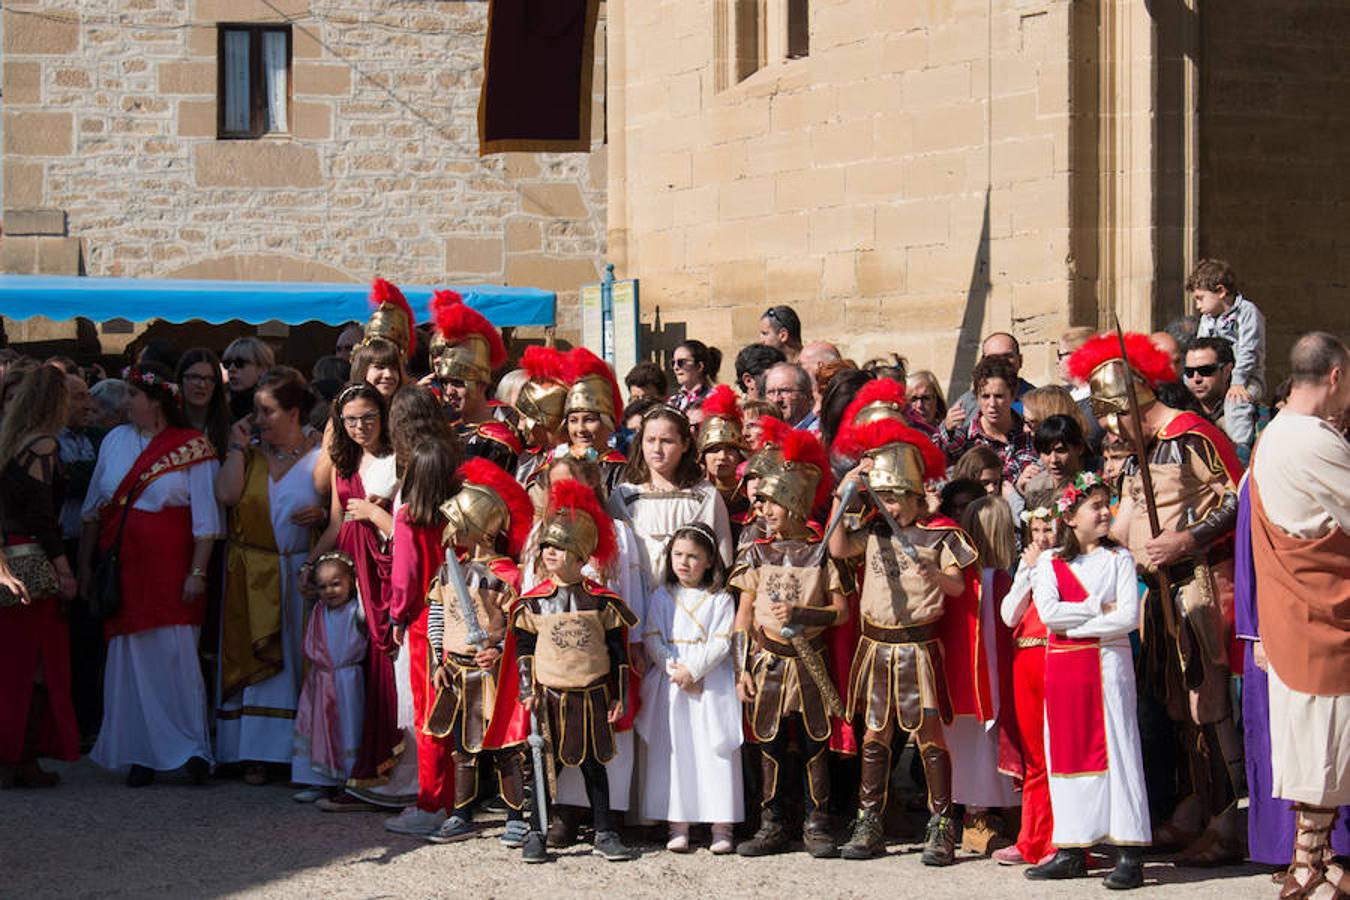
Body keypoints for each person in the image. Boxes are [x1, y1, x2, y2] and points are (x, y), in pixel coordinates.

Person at [1069, 332, 1246, 866]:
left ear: (1131, 405)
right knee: (1177, 707)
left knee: (1206, 704)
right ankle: (1194, 811)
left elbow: (1240, 496)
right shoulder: (1135, 455)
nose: (1109, 430)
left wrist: (1188, 537)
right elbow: (1127, 526)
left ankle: (1227, 823)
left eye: (1111, 418)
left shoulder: (1191, 435)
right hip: (1158, 592)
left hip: (1199, 586)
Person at [826, 418, 967, 865]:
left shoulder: (943, 533)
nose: (889, 504)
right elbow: (836, 548)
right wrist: (843, 491)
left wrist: (936, 575)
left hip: (918, 648)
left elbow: (959, 587)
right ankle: (869, 822)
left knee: (928, 736)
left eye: (896, 497)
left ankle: (941, 823)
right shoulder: (875, 530)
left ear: (914, 494)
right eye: (883, 496)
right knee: (875, 735)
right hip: (877, 647)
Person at [79, 363, 221, 787]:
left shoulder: (192, 446)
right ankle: (140, 751)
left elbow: (207, 521)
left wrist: (197, 572)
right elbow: (93, 510)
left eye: (132, 396)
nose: (125, 404)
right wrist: (86, 568)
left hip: (172, 568)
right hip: (125, 568)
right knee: (130, 659)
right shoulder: (114, 440)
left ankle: (190, 750)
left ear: (155, 403)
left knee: (175, 659)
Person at [1247, 332, 1350, 898]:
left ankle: (1316, 857)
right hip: (1322, 616)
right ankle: (1309, 862)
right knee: (1326, 746)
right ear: (1334, 376)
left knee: (1326, 746)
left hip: (1298, 613)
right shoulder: (1311, 439)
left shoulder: (1271, 435)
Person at [1025, 473, 1149, 890]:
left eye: (1105, 504)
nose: (1104, 512)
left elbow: (1127, 617)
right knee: (1065, 753)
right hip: (1063, 670)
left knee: (1118, 749)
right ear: (1071, 518)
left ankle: (1130, 850)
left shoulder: (1120, 560)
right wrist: (1097, 607)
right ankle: (1072, 846)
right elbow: (1048, 615)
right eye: (1094, 506)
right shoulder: (1050, 563)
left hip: (1107, 667)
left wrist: (1076, 625)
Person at [731, 419, 846, 859]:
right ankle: (773, 822)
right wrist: (742, 668)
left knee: (816, 742)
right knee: (771, 743)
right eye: (761, 502)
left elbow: (841, 612)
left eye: (772, 502)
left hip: (809, 660)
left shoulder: (820, 553)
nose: (763, 509)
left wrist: (803, 613)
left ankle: (817, 823)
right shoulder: (756, 552)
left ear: (795, 503)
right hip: (769, 661)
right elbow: (743, 614)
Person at [512, 480, 640, 864]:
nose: (549, 553)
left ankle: (604, 831)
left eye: (559, 547)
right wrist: (525, 689)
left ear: (580, 554)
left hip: (591, 695)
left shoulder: (602, 601)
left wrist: (619, 695)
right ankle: (537, 831)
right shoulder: (533, 604)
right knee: (540, 768)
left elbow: (618, 650)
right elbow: (523, 649)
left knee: (593, 766)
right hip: (548, 695)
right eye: (547, 546)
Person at [215, 367, 325, 785]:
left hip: (299, 571)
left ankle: (293, 752)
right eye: (256, 412)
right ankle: (251, 753)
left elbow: (335, 507)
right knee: (254, 661)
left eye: (267, 411)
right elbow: (225, 495)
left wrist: (319, 515)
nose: (258, 419)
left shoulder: (319, 456)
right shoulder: (251, 453)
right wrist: (237, 448)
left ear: (293, 412)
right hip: (251, 571)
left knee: (295, 662)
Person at [418, 457, 533, 846]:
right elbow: (438, 615)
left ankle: (517, 815)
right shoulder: (448, 569)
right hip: (456, 669)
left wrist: (499, 649)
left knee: (505, 747)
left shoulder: (508, 576)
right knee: (463, 749)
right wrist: (438, 658)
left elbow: (519, 627)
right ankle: (462, 814)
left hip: (492, 674)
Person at [638, 523, 743, 854]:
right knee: (677, 752)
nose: (683, 563)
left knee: (714, 750)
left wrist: (695, 670)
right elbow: (652, 636)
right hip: (672, 685)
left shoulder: (721, 599)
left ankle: (721, 826)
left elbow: (723, 640)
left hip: (710, 683)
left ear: (710, 560)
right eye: (678, 555)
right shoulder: (661, 596)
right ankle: (678, 823)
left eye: (693, 557)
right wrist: (675, 670)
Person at [0, 367, 79, 786]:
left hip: (7, 558)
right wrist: (64, 568)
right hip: (33, 562)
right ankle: (23, 757)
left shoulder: (10, 443)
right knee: (36, 665)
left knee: (11, 664)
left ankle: (15, 754)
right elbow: (42, 516)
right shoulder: (44, 446)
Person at [949, 495, 1020, 854]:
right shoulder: (996, 581)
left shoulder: (964, 580)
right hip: (985, 683)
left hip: (963, 683)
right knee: (982, 749)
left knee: (972, 749)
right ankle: (976, 819)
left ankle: (984, 814)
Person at [993, 504, 1059, 867]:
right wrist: (1029, 572)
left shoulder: (1069, 563)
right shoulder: (1030, 565)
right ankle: (1030, 837)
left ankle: (1060, 839)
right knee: (1034, 755)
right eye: (1035, 531)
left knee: (1058, 753)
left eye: (1048, 529)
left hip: (1058, 658)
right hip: (1026, 661)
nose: (1042, 538)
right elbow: (1008, 614)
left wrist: (1043, 569)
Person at [610, 404, 734, 587]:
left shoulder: (704, 497)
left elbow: (722, 559)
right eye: (650, 440)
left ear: (684, 444)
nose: (657, 449)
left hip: (688, 603)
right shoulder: (625, 496)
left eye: (666, 441)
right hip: (636, 599)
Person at [291, 552, 367, 801]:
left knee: (347, 728)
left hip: (347, 683)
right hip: (320, 680)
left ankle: (348, 781)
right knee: (317, 729)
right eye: (323, 586)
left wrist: (362, 588)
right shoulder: (318, 611)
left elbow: (368, 615)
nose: (330, 591)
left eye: (336, 583)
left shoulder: (356, 611)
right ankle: (318, 781)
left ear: (351, 582)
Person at [429, 289, 521, 472]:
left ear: (481, 384)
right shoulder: (448, 431)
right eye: (445, 383)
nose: (448, 391)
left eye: (458, 383)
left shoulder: (499, 442)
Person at [1189, 259, 1266, 459]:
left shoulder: (1247, 312)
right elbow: (1201, 345)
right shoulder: (1208, 318)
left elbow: (1249, 349)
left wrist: (1238, 381)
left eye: (1200, 298)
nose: (1198, 306)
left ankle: (1240, 450)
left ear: (1221, 291)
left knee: (1236, 402)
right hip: (1216, 376)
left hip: (1247, 379)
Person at [938, 356, 1040, 485]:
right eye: (985, 396)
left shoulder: (1029, 434)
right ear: (977, 397)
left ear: (1013, 395)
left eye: (999, 396)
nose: (992, 404)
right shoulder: (963, 438)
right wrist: (946, 428)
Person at [559, 347, 629, 497]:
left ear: (607, 422)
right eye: (573, 420)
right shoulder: (559, 464)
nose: (580, 429)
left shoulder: (620, 471)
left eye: (589, 419)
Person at [1183, 336, 1253, 462]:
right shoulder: (1180, 415)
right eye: (1189, 372)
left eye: (1206, 370)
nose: (1196, 378)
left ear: (1227, 371)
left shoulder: (1253, 418)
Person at [512, 346, 569, 491]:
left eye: (525, 418)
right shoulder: (528, 459)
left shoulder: (574, 462)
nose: (519, 426)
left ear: (546, 420)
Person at [951, 333, 1037, 420]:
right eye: (993, 357)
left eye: (1007, 356)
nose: (1001, 362)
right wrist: (947, 429)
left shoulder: (1038, 402)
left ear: (1020, 360)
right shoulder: (966, 404)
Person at [696, 384, 749, 522]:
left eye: (730, 449)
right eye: (714, 450)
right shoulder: (695, 498)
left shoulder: (753, 499)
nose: (722, 456)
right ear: (703, 456)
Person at [1022, 415, 1090, 511]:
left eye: (1060, 451)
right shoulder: (1035, 487)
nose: (1053, 460)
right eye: (1046, 452)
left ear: (1079, 448)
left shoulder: (1095, 482)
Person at [176, 348, 231, 460]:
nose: (202, 385)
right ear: (181, 380)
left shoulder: (228, 428)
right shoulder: (167, 423)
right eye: (194, 377)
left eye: (209, 378)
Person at [221, 336, 276, 422]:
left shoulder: (275, 409)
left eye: (240, 363)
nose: (231, 369)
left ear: (262, 368)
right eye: (227, 364)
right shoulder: (219, 407)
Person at [668, 339, 721, 412]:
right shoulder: (673, 401)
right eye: (673, 363)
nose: (676, 367)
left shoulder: (716, 398)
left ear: (699, 366)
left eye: (681, 362)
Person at [763, 361, 815, 430]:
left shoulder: (822, 434)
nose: (776, 399)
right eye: (771, 392)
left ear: (806, 395)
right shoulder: (764, 434)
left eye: (784, 391)